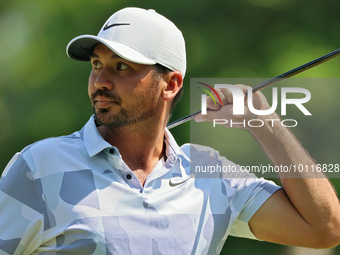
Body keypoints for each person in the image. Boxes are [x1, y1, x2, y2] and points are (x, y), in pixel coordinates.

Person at [0, 7, 339, 255]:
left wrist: (265, 122)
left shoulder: (211, 176)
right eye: (97, 65)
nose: (101, 82)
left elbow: (325, 228)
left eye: (121, 67)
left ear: (171, 84)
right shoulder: (39, 167)